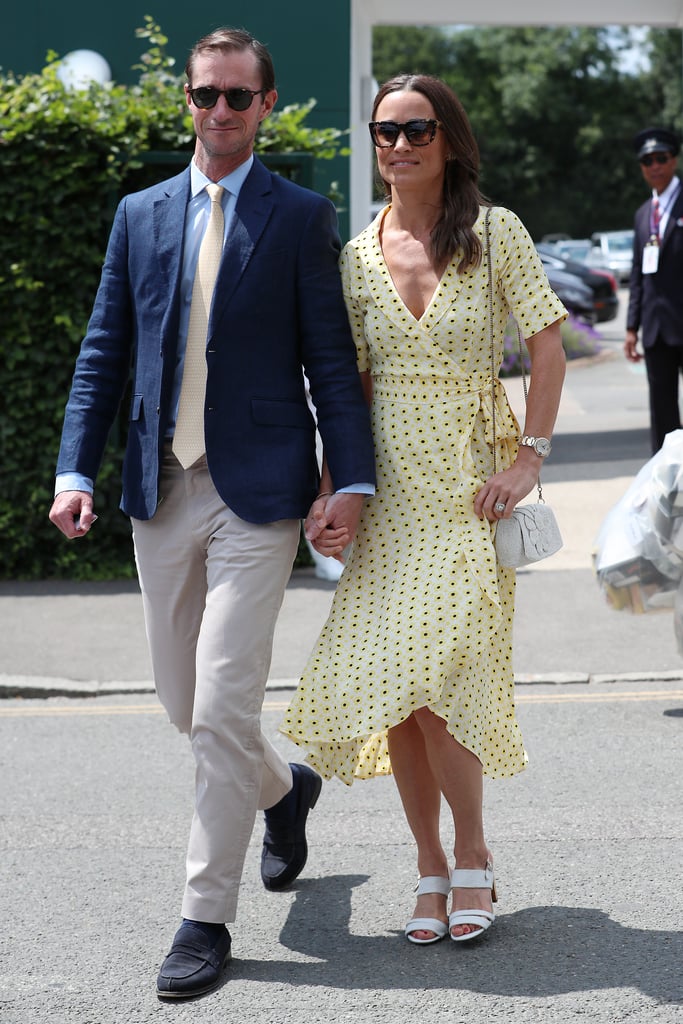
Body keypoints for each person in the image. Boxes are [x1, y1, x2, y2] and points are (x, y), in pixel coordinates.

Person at [48, 27, 375, 1000]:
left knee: (223, 702)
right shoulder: (139, 214)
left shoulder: (299, 214)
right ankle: (285, 790)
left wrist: (346, 480)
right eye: (205, 96)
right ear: (186, 101)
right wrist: (75, 467)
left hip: (260, 494)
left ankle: (204, 914)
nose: (220, 112)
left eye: (238, 97)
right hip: (160, 487)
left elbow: (328, 361)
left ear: (266, 104)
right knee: (187, 707)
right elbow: (104, 351)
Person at [282, 74, 566, 946]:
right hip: (389, 491)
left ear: (449, 140)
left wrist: (530, 458)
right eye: (384, 132)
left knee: (442, 683)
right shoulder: (356, 252)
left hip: (468, 488)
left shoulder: (494, 232)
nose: (398, 145)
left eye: (416, 129)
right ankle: (429, 867)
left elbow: (548, 343)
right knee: (402, 696)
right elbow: (350, 385)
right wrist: (335, 489)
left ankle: (473, 851)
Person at [625, 127, 683, 454]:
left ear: (674, 159)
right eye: (647, 160)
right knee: (662, 414)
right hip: (657, 329)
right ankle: (665, 485)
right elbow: (638, 273)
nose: (654, 165)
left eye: (661, 158)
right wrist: (632, 327)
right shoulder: (643, 214)